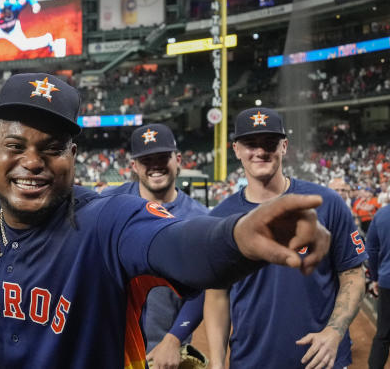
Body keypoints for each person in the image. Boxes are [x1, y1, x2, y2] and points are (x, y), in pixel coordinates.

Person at [0, 74, 331, 368]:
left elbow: (182, 245)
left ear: (73, 157)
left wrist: (238, 236)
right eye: (16, 146)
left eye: (52, 148)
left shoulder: (109, 218)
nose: (32, 161)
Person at [204, 107, 367, 369]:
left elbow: (353, 274)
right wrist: (215, 362)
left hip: (322, 361)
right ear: (236, 149)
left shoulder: (327, 202)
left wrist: (334, 332)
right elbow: (216, 296)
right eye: (250, 143)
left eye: (269, 142)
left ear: (284, 146)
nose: (260, 151)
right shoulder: (219, 218)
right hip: (251, 360)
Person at [101, 123, 208, 368]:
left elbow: (202, 290)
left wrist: (174, 338)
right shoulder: (108, 203)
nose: (155, 165)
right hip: (109, 346)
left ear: (178, 160)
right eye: (146, 159)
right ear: (134, 166)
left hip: (161, 352)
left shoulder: (199, 218)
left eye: (163, 157)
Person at [0, 0, 64, 62]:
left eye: (2, 12)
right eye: (0, 11)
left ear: (9, 10)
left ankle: (48, 40)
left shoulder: (16, 7)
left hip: (13, 30)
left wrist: (35, 4)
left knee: (24, 46)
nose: (0, 13)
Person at [367, 204, 390, 368]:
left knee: (383, 334)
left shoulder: (381, 214)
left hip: (386, 280)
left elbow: (371, 249)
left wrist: (375, 277)